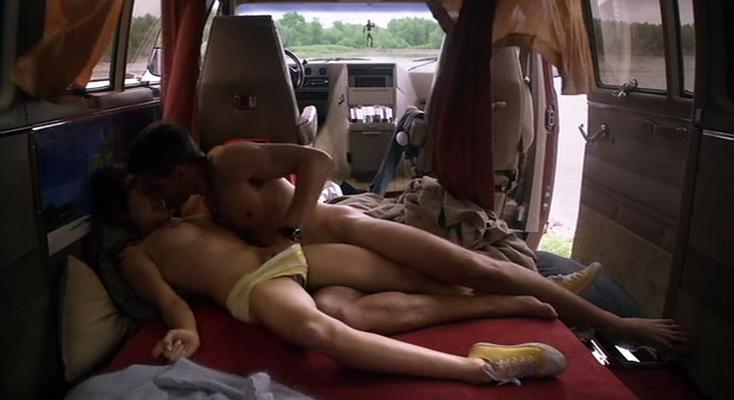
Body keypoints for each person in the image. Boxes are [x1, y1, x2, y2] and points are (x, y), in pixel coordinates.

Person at [128, 122, 688, 351]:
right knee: (342, 313)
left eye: (158, 187)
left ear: (176, 169)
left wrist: (290, 228)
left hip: (342, 227)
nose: (160, 199)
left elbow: (318, 161)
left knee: (471, 266)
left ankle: (613, 322)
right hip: (319, 265)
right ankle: (515, 301)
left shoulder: (228, 161)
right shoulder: (198, 209)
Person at [93, 167, 566, 385]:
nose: (155, 195)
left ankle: (517, 294)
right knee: (324, 331)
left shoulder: (192, 212)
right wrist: (187, 332)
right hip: (256, 287)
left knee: (415, 273)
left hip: (291, 256)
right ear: (120, 213)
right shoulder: (138, 254)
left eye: (153, 187)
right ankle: (477, 368)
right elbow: (171, 302)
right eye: (142, 194)